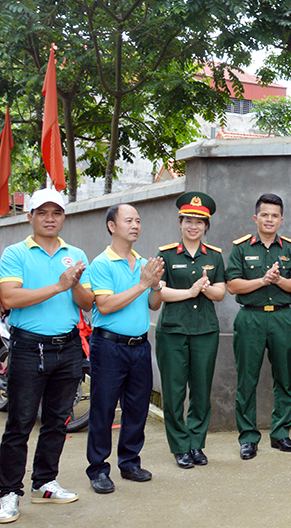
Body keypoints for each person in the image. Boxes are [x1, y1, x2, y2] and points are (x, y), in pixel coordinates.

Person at [0, 189, 93, 522]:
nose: (50, 218)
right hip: (28, 348)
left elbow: (85, 302)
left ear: (63, 217)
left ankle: (44, 483)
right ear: (30, 217)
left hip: (67, 347)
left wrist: (75, 284)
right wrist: (58, 285)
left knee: (57, 421)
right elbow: (10, 297)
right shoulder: (15, 253)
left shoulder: (75, 253)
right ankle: (8, 492)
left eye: (56, 213)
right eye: (42, 212)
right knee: (20, 423)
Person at [84, 204, 165, 494]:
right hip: (108, 346)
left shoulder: (142, 262)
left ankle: (129, 462)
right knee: (104, 408)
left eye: (138, 221)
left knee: (137, 407)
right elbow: (104, 305)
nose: (135, 225)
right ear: (112, 226)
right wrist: (144, 283)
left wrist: (154, 286)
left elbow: (154, 305)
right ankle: (98, 469)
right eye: (129, 220)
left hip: (139, 347)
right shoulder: (101, 264)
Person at [225, 194, 291, 460]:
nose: (269, 220)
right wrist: (262, 280)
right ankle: (248, 437)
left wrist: (278, 279)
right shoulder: (241, 247)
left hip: (282, 318)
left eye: (274, 215)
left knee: (284, 378)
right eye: (265, 215)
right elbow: (233, 285)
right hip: (251, 318)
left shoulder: (290, 248)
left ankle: (281, 433)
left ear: (281, 219)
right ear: (256, 217)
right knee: (247, 379)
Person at [155, 192, 226, 469]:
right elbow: (159, 291)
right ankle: (179, 446)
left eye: (199, 222)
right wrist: (190, 291)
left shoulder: (215, 257)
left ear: (206, 226)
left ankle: (196, 443)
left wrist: (206, 289)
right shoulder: (166, 254)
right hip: (173, 331)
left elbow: (221, 292)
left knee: (201, 390)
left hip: (205, 331)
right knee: (173, 392)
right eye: (188, 221)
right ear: (180, 222)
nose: (193, 226)